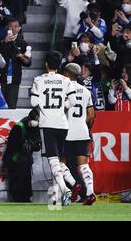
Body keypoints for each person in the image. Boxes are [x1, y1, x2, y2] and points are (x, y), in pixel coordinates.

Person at [30, 50, 77, 206]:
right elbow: (73, 101)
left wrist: (45, 111)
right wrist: (61, 108)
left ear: (46, 64)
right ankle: (56, 198)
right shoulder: (66, 80)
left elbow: (33, 103)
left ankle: (64, 189)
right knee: (59, 161)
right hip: (63, 124)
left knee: (52, 160)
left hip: (47, 124)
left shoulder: (38, 80)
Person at [60, 63, 96, 206]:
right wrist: (81, 122)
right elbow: (91, 114)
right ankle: (90, 193)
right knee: (83, 166)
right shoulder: (85, 91)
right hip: (82, 132)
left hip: (66, 132)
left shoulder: (63, 89)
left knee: (61, 163)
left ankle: (73, 186)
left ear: (67, 74)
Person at [3, 108, 41, 202]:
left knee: (26, 181)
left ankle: (26, 198)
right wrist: (23, 144)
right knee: (16, 181)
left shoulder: (36, 128)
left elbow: (37, 146)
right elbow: (11, 146)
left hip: (26, 159)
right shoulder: (18, 127)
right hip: (15, 157)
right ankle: (17, 197)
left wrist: (31, 145)